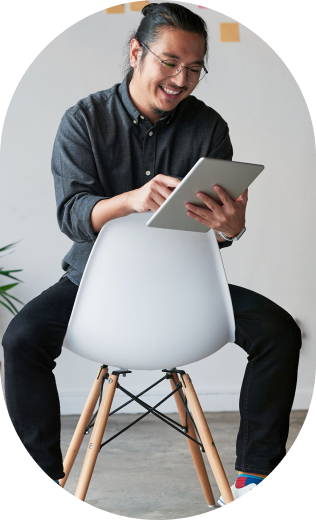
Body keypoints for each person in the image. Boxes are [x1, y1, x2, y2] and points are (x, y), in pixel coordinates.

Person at [2, 2, 301, 507]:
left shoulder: (208, 128)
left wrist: (232, 228)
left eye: (194, 67)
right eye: (169, 61)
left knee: (279, 332)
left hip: (186, 288)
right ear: (137, 52)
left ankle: (255, 478)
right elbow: (71, 215)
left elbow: (215, 229)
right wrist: (128, 202)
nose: (181, 78)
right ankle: (42, 485)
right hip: (91, 285)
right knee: (22, 340)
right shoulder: (84, 119)